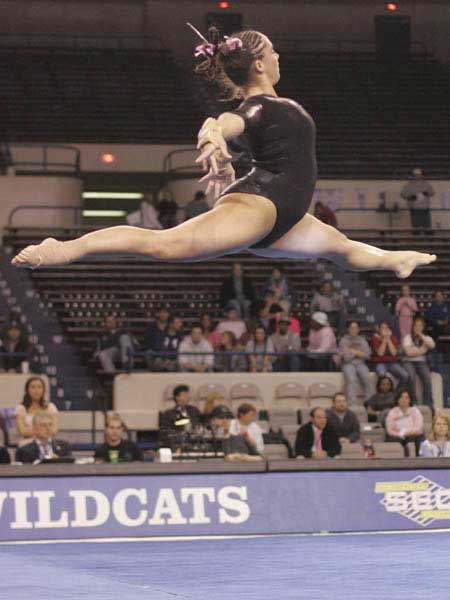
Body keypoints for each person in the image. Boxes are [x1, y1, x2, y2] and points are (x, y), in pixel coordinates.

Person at [12, 28, 435, 282]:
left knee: (343, 249)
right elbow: (226, 123)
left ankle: (397, 259)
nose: (277, 55)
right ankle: (68, 249)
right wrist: (214, 135)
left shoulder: (273, 107)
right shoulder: (258, 108)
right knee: (165, 246)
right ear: (257, 65)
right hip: (260, 204)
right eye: (271, 50)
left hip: (283, 216)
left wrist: (223, 147)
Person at [402, 316, 435, 410]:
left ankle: (428, 404)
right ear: (413, 327)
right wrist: (422, 351)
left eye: (420, 326)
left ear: (423, 327)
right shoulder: (407, 337)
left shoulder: (426, 337)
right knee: (411, 376)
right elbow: (408, 353)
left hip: (421, 362)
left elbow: (432, 345)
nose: (417, 328)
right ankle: (413, 402)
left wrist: (422, 336)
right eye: (416, 325)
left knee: (427, 378)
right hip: (408, 362)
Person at [339, 321, 375, 405]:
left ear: (358, 329)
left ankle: (370, 403)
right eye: (352, 328)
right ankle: (352, 404)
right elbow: (345, 357)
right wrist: (359, 353)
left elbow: (368, 355)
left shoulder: (362, 340)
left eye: (356, 328)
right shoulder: (344, 340)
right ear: (348, 329)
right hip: (348, 364)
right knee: (351, 380)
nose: (354, 330)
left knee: (367, 379)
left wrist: (354, 352)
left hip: (361, 364)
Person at [15, 376, 58, 447]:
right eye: (33, 387)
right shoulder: (20, 408)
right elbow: (23, 431)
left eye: (39, 387)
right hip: (27, 444)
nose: (36, 390)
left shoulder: (51, 407)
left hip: (47, 444)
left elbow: (54, 430)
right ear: (27, 390)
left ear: (43, 390)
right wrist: (44, 430)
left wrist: (33, 430)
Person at [385, 388, 424, 456]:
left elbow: (418, 428)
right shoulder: (393, 412)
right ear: (397, 399)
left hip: (413, 435)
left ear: (410, 400)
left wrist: (405, 432)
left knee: (415, 439)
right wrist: (402, 434)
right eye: (401, 397)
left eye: (406, 397)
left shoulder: (415, 411)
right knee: (392, 439)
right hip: (398, 436)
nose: (404, 400)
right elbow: (390, 429)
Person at [370, 321, 410, 387]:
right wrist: (385, 340)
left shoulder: (393, 338)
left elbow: (394, 353)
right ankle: (384, 396)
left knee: (405, 375)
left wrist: (388, 339)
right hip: (380, 363)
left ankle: (396, 394)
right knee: (383, 376)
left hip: (392, 363)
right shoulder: (374, 338)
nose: (385, 330)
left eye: (386, 328)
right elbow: (380, 353)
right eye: (383, 328)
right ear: (379, 330)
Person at [400, 167, 434, 232]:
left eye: (419, 175)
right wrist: (410, 197)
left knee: (427, 229)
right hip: (415, 210)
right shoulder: (409, 185)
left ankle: (428, 240)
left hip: (425, 209)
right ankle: (416, 239)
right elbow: (402, 194)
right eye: (415, 175)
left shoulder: (426, 184)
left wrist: (427, 193)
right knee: (416, 229)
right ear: (413, 176)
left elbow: (432, 192)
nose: (417, 177)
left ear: (421, 175)